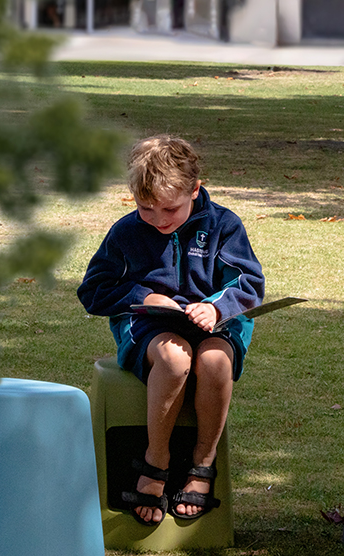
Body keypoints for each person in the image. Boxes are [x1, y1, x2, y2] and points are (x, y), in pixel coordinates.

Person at [78, 135, 264, 526]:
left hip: (216, 325)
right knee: (174, 358)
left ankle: (203, 462)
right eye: (146, 208)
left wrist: (215, 307)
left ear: (195, 191)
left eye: (170, 209)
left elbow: (249, 284)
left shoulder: (224, 225)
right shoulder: (126, 232)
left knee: (213, 361)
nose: (159, 219)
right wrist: (146, 298)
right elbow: (93, 291)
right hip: (150, 328)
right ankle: (156, 459)